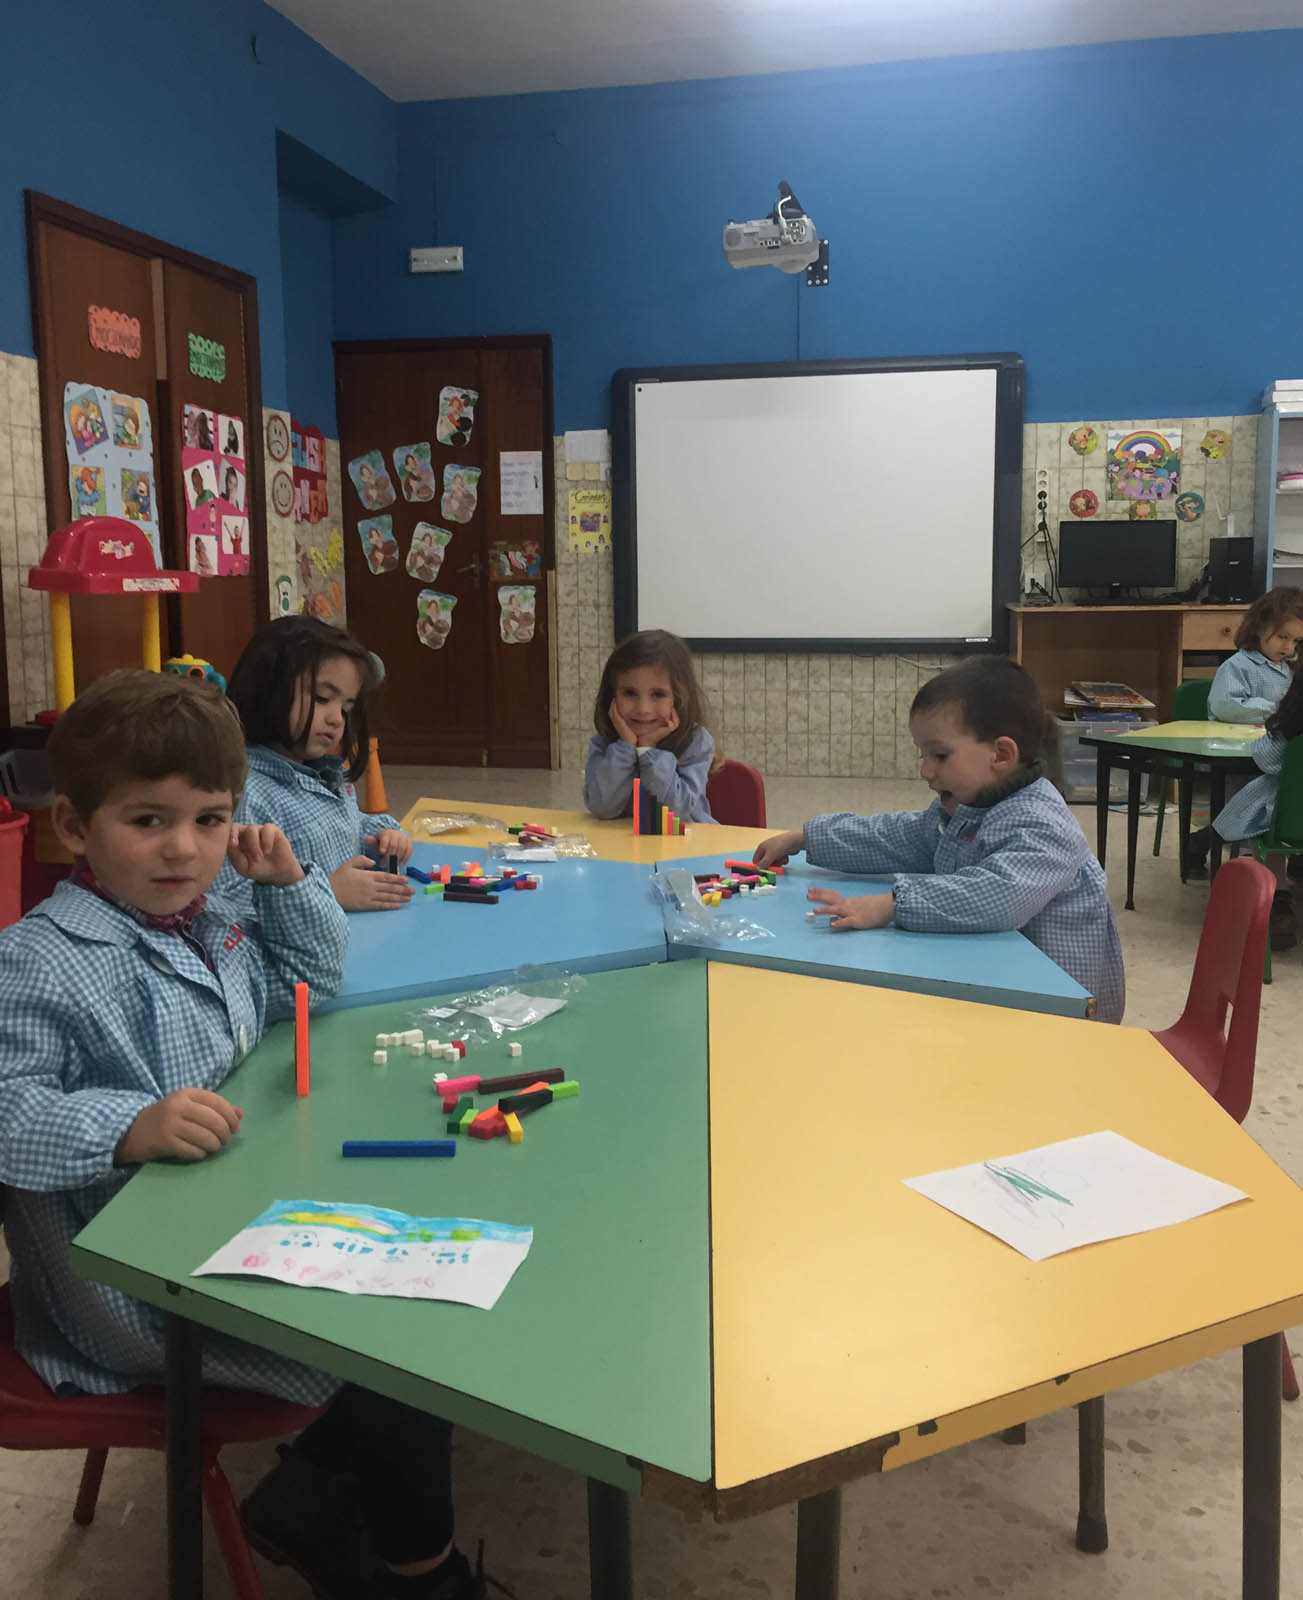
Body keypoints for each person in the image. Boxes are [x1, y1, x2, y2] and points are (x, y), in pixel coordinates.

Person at [0, 670, 486, 1600]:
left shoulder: (212, 919)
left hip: (233, 1216)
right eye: (148, 820)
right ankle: (420, 1575)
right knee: (402, 1347)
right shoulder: (34, 962)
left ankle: (313, 1492)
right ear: (73, 825)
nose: (184, 848)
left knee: (419, 1280)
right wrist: (125, 1126)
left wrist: (288, 885)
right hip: (131, 1294)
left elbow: (311, 981)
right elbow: (7, 1110)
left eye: (211, 820)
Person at [753, 656, 1125, 1023]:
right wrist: (808, 837)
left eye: (940, 755)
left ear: (1001, 754)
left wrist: (891, 904)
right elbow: (896, 837)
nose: (925, 770)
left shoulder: (1046, 825)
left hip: (1058, 1015)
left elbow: (997, 895)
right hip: (994, 985)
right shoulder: (967, 806)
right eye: (923, 754)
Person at [219, 617, 414, 913]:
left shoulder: (323, 773)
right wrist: (327, 892)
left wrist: (381, 837)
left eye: (345, 708)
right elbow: (224, 905)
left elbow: (345, 826)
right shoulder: (247, 793)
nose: (337, 719)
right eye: (323, 698)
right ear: (269, 688)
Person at [1184, 587, 1303, 876]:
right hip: (1241, 752)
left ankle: (1206, 840)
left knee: (1280, 791)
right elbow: (1226, 705)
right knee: (1265, 798)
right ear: (1260, 626)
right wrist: (1278, 710)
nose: (1288, 647)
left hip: (1275, 753)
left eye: (1296, 641)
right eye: (1283, 637)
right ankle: (1208, 842)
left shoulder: (1290, 669)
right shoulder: (1237, 666)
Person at [583, 630, 717, 823]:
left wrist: (647, 750)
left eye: (658, 694)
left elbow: (675, 811)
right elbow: (602, 808)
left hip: (685, 840)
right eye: (629, 693)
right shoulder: (603, 742)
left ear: (680, 698)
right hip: (623, 841)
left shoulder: (696, 742)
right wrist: (626, 748)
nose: (643, 709)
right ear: (611, 697)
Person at [1212, 666, 1303, 952]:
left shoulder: (1291, 726)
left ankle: (1278, 900)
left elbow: (1267, 759)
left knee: (1261, 817)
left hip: (1291, 823)